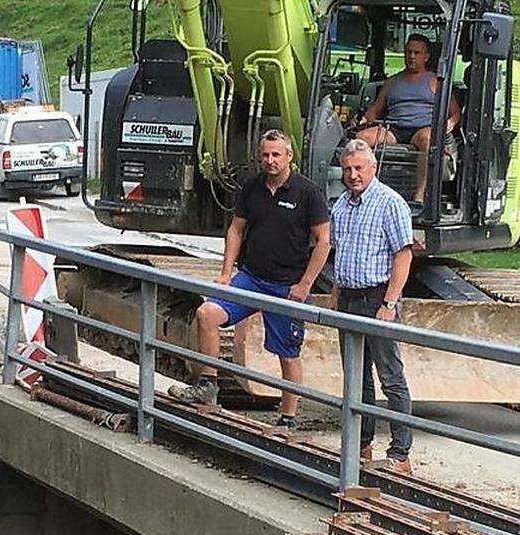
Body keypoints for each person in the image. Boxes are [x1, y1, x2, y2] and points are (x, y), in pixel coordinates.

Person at [168, 129, 330, 431]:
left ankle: (288, 418)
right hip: (251, 278)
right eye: (265, 155)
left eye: (276, 155)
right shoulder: (251, 187)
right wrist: (226, 273)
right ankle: (207, 385)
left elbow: (323, 241)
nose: (270, 160)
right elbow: (236, 229)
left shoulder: (308, 193)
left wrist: (305, 284)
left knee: (287, 353)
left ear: (289, 156)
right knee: (207, 314)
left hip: (285, 285)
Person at [329, 138, 414, 473]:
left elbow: (403, 254)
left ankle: (401, 452)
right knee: (356, 376)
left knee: (390, 375)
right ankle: (361, 444)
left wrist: (390, 302)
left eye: (359, 168)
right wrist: (335, 291)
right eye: (348, 169)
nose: (353, 175)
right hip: (349, 297)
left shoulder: (390, 204)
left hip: (378, 297)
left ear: (372, 168)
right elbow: (340, 252)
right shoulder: (340, 206)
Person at [355, 33, 460, 204]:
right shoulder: (392, 82)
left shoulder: (436, 81)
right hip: (394, 129)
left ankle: (419, 196)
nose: (412, 56)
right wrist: (362, 121)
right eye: (409, 52)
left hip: (422, 129)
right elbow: (374, 111)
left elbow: (455, 113)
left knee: (428, 139)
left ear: (426, 57)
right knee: (361, 139)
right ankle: (366, 190)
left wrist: (450, 123)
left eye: (417, 53)